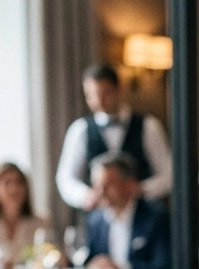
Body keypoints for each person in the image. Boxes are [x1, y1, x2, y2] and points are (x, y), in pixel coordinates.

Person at [56, 63, 173, 210]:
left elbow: (168, 174)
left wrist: (142, 190)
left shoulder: (148, 126)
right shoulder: (80, 130)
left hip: (142, 217)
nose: (98, 101)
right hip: (98, 221)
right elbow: (65, 179)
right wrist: (85, 195)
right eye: (90, 96)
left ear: (119, 90)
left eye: (104, 94)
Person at [86, 152, 171, 269]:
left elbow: (164, 266)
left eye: (107, 186)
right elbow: (89, 261)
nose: (101, 193)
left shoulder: (156, 217)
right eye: (97, 186)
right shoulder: (96, 220)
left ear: (130, 185)